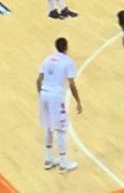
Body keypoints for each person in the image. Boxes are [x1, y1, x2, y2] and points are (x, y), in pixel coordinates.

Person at [36, 37, 82, 174]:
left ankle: (48, 160)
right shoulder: (68, 62)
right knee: (61, 129)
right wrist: (78, 101)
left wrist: (42, 95)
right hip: (55, 97)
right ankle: (63, 164)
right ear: (66, 47)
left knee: (49, 127)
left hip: (44, 94)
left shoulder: (48, 59)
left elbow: (38, 80)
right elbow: (72, 84)